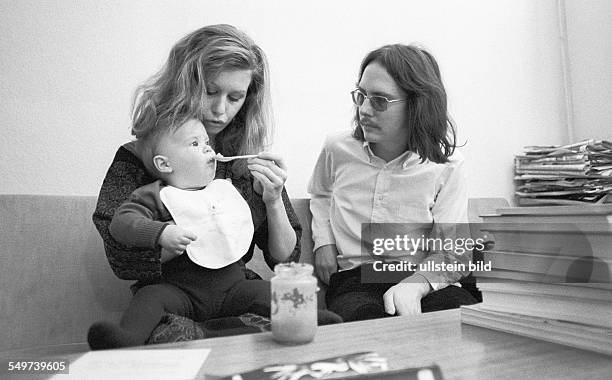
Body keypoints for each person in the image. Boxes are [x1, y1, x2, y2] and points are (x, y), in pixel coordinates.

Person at [91, 24, 320, 346]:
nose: (220, 110)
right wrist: (184, 232)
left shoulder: (243, 165)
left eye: (235, 97)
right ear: (184, 84)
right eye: (210, 92)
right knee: (172, 340)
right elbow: (122, 259)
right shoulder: (139, 158)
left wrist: (273, 201)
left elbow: (285, 260)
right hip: (172, 301)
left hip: (236, 294)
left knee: (289, 330)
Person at [308, 44, 478, 322]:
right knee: (366, 324)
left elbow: (453, 254)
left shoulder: (447, 166)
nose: (363, 109)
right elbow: (321, 194)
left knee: (459, 321)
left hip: (424, 277)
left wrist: (414, 287)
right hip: (356, 280)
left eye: (380, 100)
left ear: (417, 105)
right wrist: (323, 242)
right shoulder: (337, 148)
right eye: (361, 95)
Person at [89, 118, 274, 349]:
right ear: (165, 164)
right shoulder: (154, 195)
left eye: (207, 142)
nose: (208, 148)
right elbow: (121, 222)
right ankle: (126, 338)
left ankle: (316, 319)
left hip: (234, 289)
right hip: (179, 292)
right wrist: (161, 232)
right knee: (149, 298)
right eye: (195, 144)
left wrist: (260, 196)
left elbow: (245, 224)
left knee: (271, 291)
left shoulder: (224, 191)